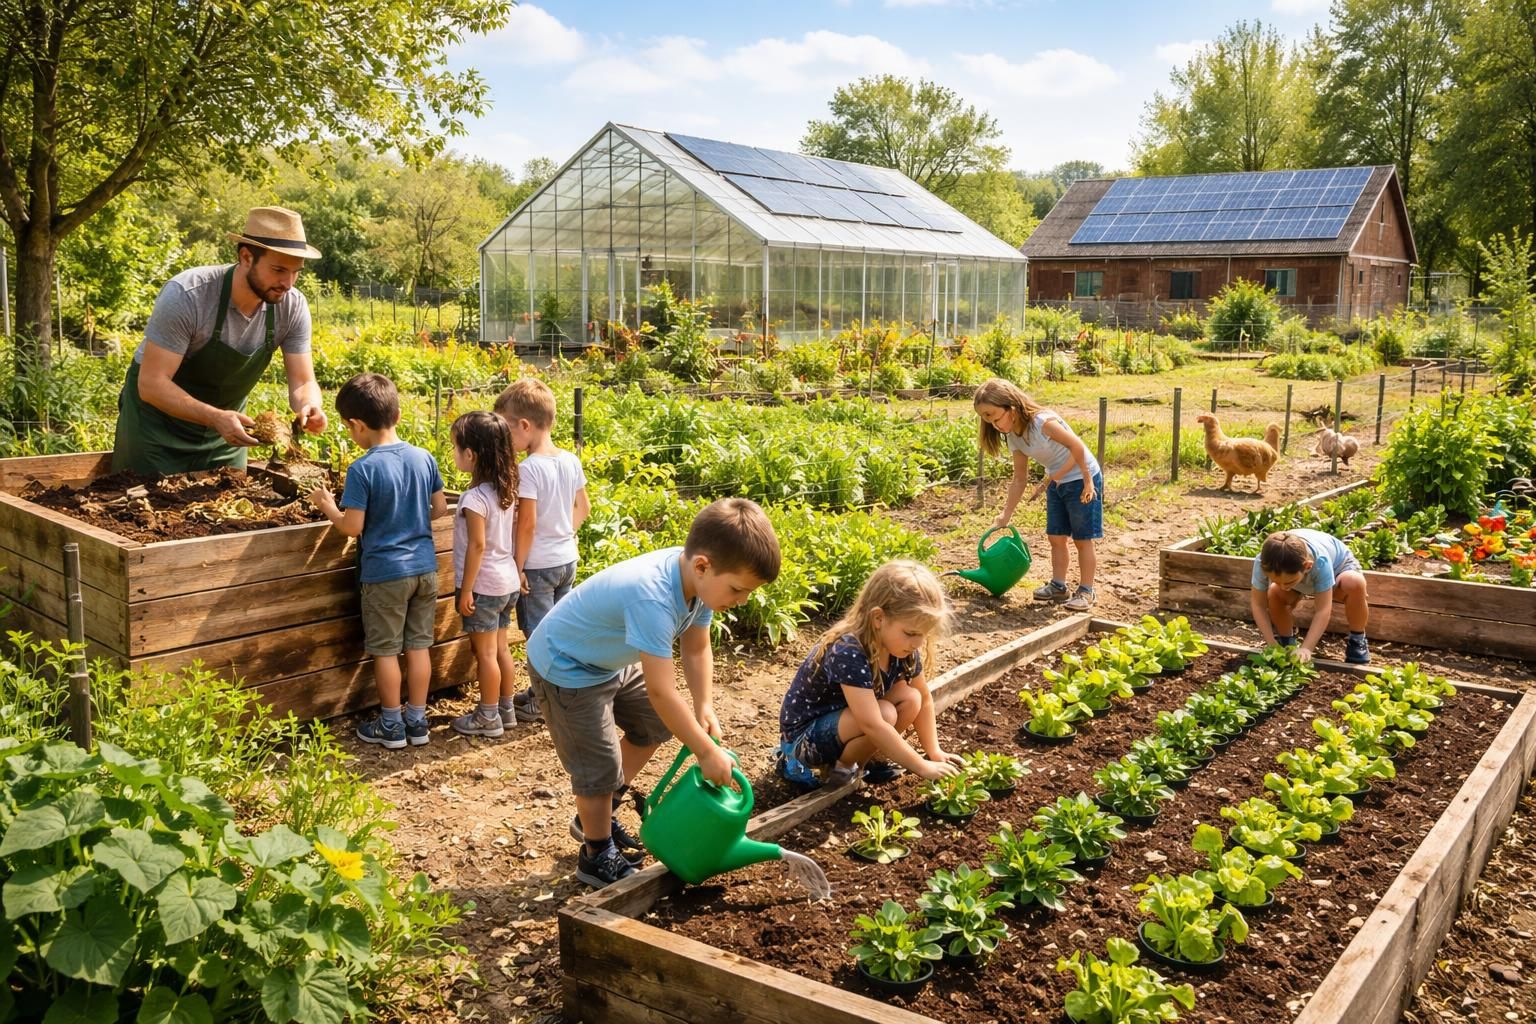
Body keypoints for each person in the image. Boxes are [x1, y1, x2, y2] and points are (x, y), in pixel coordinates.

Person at [525, 498, 780, 888]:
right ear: (702, 566)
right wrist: (705, 750)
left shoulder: (699, 584)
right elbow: (662, 691)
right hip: (567, 667)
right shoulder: (654, 597)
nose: (741, 600)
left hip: (608, 658)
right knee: (598, 769)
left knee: (651, 725)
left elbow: (696, 648)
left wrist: (704, 705)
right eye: (737, 589)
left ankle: (598, 812)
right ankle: (596, 853)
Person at [113, 207, 328, 475]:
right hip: (156, 430)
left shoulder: (291, 306)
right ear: (246, 257)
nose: (288, 282)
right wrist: (215, 417)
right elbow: (151, 384)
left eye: (296, 272)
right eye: (278, 270)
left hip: (227, 436)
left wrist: (310, 404)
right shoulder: (188, 296)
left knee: (228, 507)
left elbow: (303, 380)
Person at [310, 373, 448, 749]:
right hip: (424, 568)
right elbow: (439, 508)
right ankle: (417, 723)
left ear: (356, 425)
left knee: (386, 651)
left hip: (385, 574)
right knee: (419, 646)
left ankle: (391, 726)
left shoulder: (363, 468)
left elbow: (352, 527)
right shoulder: (424, 458)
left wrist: (326, 506)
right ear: (398, 415)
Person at [776, 560, 964, 790]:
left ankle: (861, 762)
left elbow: (923, 697)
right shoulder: (848, 649)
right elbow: (872, 723)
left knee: (910, 698)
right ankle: (840, 769)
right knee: (884, 714)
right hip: (803, 742)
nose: (917, 643)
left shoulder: (903, 647)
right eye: (911, 633)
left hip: (845, 725)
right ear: (878, 618)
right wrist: (922, 767)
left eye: (923, 635)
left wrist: (934, 752)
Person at [494, 378, 590, 726]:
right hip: (566, 558)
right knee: (562, 630)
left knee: (538, 636)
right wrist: (564, 534)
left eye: (507, 429)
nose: (506, 439)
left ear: (524, 426)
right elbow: (584, 507)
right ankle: (555, 693)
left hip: (538, 566)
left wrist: (517, 566)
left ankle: (541, 700)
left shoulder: (529, 469)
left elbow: (528, 524)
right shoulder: (569, 460)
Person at [974, 377, 1103, 611]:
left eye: (993, 416)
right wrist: (1006, 514)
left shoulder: (1042, 423)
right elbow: (1019, 479)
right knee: (1056, 537)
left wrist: (1087, 482)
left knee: (1083, 539)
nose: (993, 424)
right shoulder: (1014, 436)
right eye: (987, 420)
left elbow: (1078, 447)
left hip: (1083, 477)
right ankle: (1059, 586)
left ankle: (1086, 590)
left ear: (1010, 408)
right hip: (1059, 479)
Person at [447, 412, 523, 739]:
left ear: (471, 455)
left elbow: (477, 546)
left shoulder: (474, 499)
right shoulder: (505, 490)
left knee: (486, 654)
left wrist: (466, 590)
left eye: (455, 447)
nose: (453, 453)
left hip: (484, 586)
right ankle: (506, 709)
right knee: (502, 649)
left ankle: (487, 716)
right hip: (506, 581)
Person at [1249, 529, 1371, 664]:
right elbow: (1258, 604)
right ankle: (1286, 642)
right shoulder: (1264, 562)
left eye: (1288, 582)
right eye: (1277, 581)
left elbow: (1323, 610)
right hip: (1301, 577)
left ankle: (1357, 638)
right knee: (1275, 592)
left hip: (1338, 569)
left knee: (1355, 583)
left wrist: (1307, 648)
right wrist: (1271, 643)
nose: (1284, 587)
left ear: (1307, 566)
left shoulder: (1320, 562)